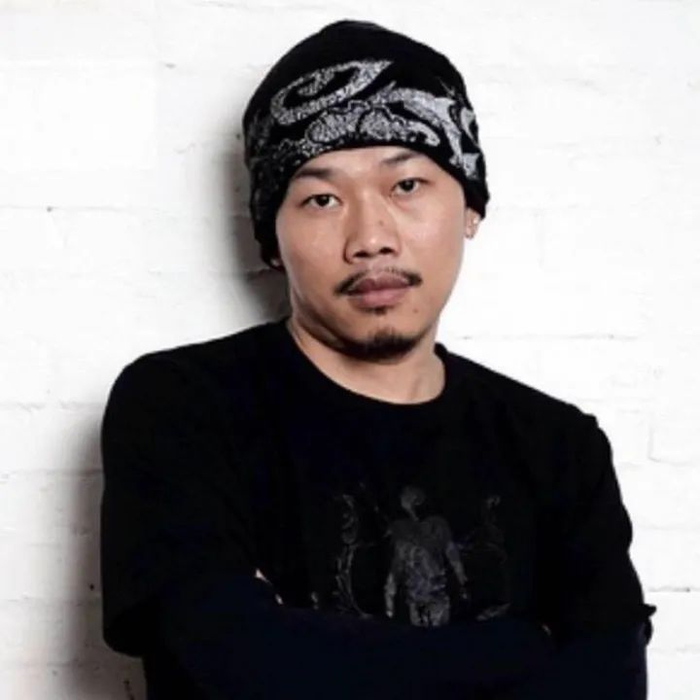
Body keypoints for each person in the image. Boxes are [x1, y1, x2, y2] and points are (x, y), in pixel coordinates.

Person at [99, 19, 657, 699]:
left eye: (407, 185)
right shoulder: (182, 406)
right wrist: (519, 649)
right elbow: (229, 661)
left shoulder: (558, 445)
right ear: (271, 240)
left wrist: (306, 646)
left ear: (470, 206)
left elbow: (609, 684)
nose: (370, 238)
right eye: (322, 198)